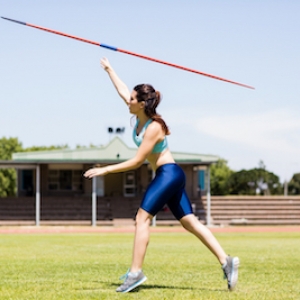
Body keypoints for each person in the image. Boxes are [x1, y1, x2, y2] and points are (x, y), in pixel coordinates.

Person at [84, 57, 239, 293]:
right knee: (190, 222)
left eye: (133, 100)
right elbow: (123, 90)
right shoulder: (138, 113)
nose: (128, 101)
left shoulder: (154, 127)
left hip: (169, 173)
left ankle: (135, 273)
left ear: (142, 104)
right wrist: (109, 70)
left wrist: (105, 169)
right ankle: (226, 261)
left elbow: (137, 161)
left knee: (141, 218)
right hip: (170, 175)